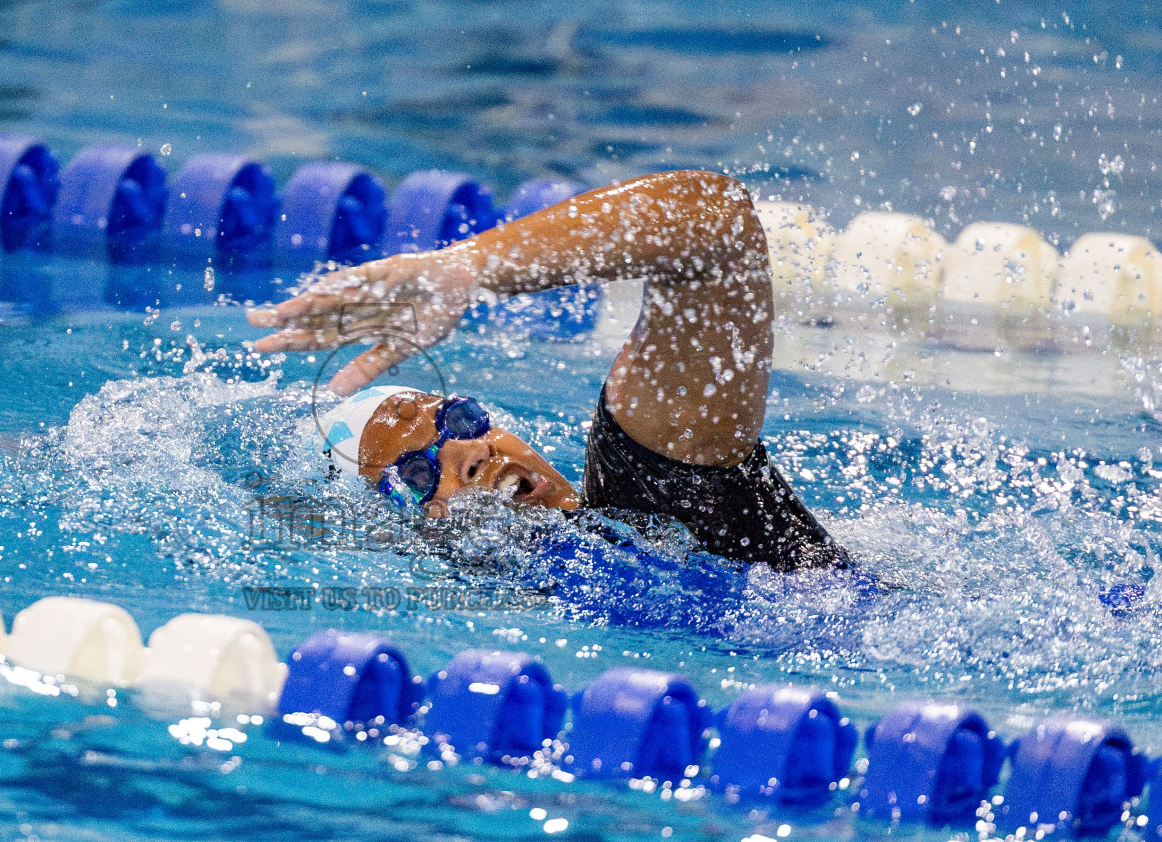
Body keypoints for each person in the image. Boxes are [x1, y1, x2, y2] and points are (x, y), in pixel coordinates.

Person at [248, 170, 848, 573]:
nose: (470, 453)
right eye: (415, 473)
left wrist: (469, 269)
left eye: (460, 419)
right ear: (396, 536)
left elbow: (716, 221)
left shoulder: (653, 498)